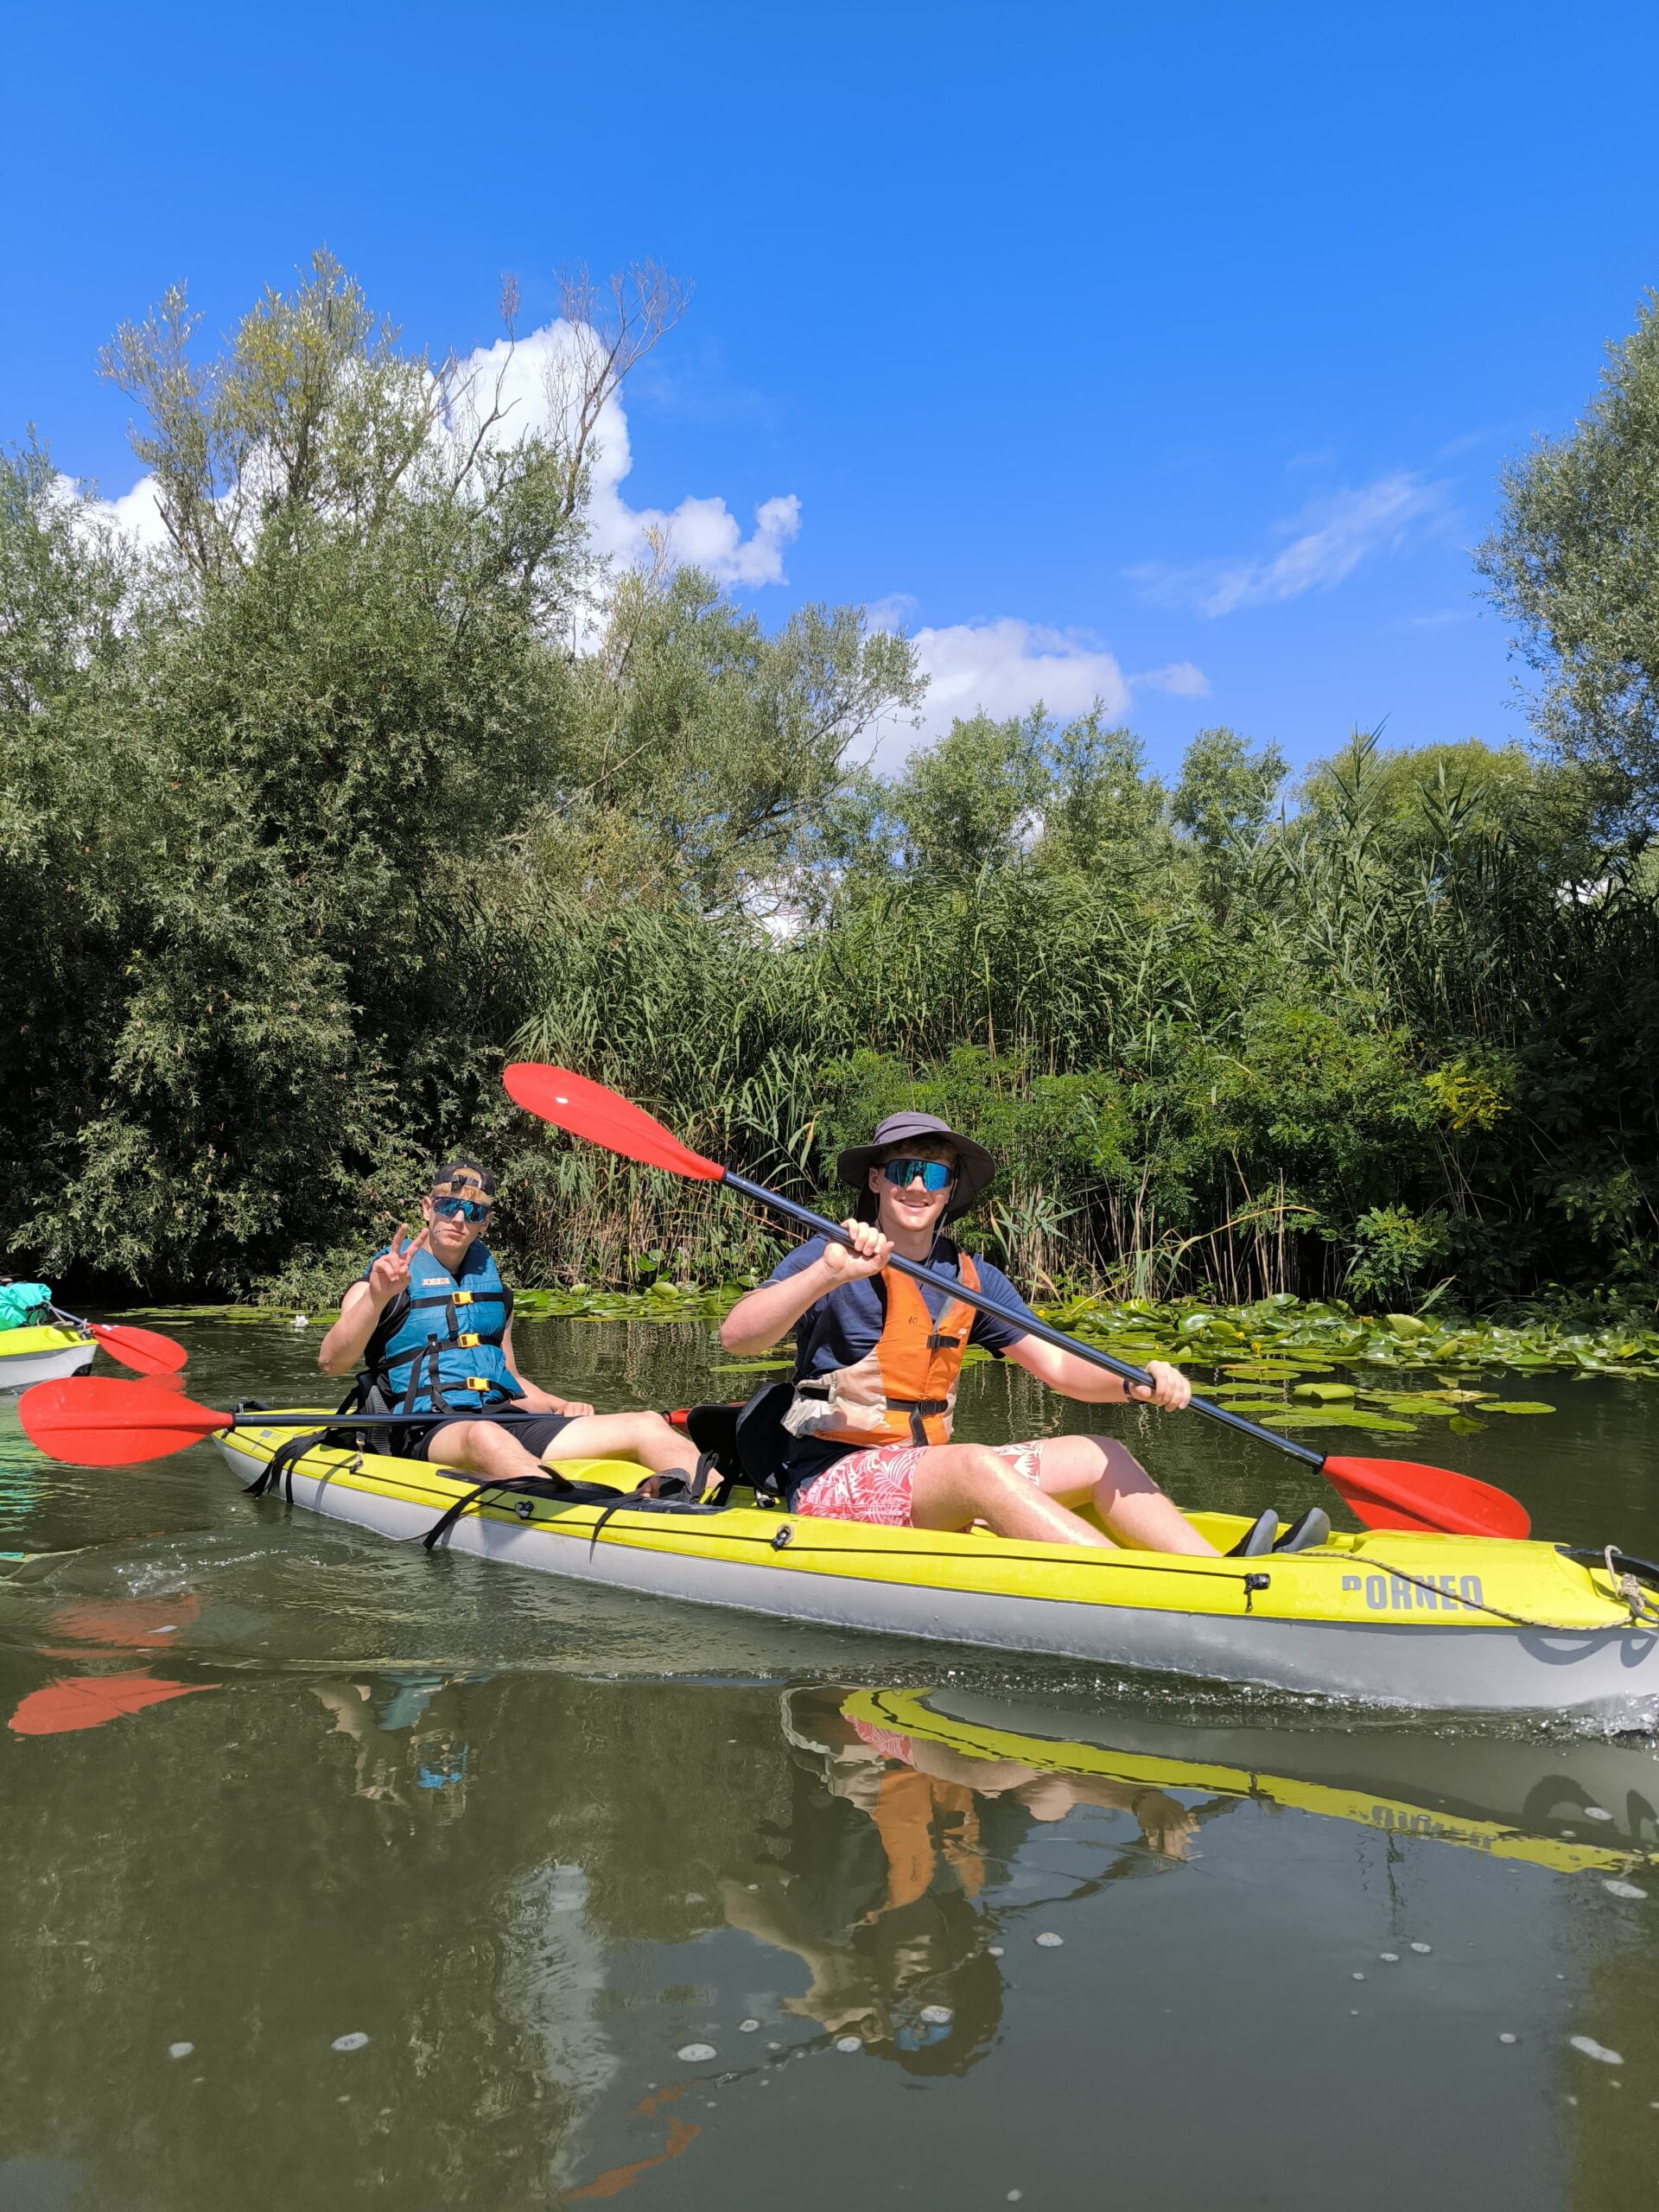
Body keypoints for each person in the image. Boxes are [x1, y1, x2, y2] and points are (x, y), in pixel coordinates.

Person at [721, 1113, 1318, 1556]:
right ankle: (1142, 1589)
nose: (918, 1185)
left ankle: (1214, 1571)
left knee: (1100, 1455)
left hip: (928, 1473)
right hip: (830, 1480)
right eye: (904, 1170)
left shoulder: (973, 1279)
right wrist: (827, 1274)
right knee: (973, 1465)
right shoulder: (829, 1256)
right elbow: (738, 1338)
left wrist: (1135, 1383)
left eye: (935, 1172)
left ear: (949, 1189)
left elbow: (1059, 1367)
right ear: (877, 1180)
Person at [319, 1159, 695, 1491]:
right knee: (485, 1436)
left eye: (473, 1211)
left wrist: (560, 1404)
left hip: (501, 1418)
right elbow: (331, 1363)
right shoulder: (378, 1285)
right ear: (428, 1209)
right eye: (449, 1206)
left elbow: (510, 1380)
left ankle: (720, 1508)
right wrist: (377, 1297)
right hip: (424, 1427)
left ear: (485, 1222)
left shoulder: (498, 1296)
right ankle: (571, 1510)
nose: (459, 1220)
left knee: (647, 1423)